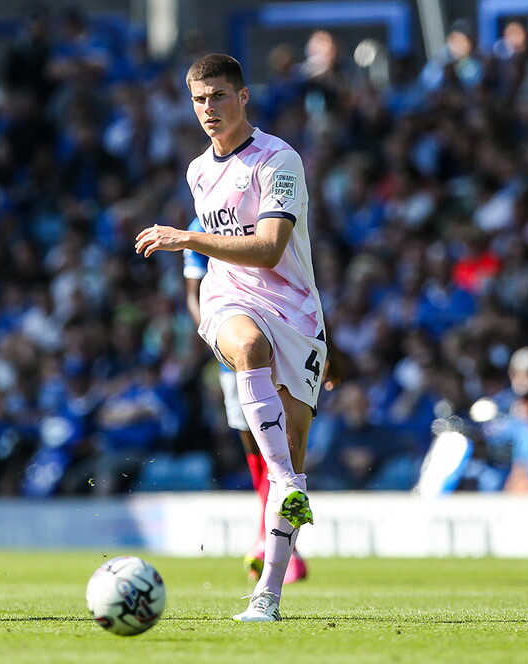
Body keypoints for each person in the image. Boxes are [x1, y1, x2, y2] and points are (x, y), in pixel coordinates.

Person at [135, 53, 326, 622]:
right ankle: (288, 481)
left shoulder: (278, 160)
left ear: (243, 97)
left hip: (295, 311)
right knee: (245, 346)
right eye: (199, 100)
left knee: (289, 447)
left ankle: (267, 593)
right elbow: (227, 259)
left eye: (219, 96)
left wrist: (187, 239)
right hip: (230, 301)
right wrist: (192, 250)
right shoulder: (198, 169)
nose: (209, 109)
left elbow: (269, 249)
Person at [182, 217, 307, 584]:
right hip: (237, 349)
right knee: (256, 445)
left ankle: (278, 544)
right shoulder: (201, 223)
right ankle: (268, 536)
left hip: (285, 341)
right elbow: (194, 295)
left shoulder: (269, 219)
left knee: (284, 446)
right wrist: (220, 338)